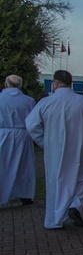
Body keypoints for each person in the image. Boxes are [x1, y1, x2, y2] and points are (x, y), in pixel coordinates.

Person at [25, 70, 83, 229]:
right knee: (81, 179)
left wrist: (44, 141)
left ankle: (55, 219)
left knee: (56, 181)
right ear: (70, 83)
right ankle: (75, 206)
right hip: (79, 148)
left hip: (54, 149)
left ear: (55, 83)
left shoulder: (46, 102)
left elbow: (31, 125)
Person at [0, 75, 36, 206]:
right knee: (24, 166)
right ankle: (25, 194)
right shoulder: (29, 101)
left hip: (3, 134)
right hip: (23, 135)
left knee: (3, 165)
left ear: (6, 84)